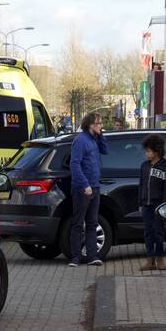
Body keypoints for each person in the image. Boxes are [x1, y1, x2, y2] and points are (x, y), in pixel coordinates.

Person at [68, 111, 108, 267]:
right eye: (99, 123)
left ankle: (92, 256)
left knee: (92, 222)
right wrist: (85, 184)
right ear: (91, 125)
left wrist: (101, 134)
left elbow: (105, 150)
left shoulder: (95, 139)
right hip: (82, 189)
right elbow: (74, 164)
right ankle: (75, 257)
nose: (101, 125)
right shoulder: (81, 141)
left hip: (95, 187)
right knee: (78, 223)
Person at [139, 134, 166, 271]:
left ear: (157, 151)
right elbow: (141, 185)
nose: (146, 154)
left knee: (158, 232)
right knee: (148, 232)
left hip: (159, 206)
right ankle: (150, 260)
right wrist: (140, 202)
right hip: (146, 205)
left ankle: (160, 258)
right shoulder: (144, 166)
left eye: (148, 151)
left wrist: (165, 206)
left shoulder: (165, 167)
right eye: (145, 151)